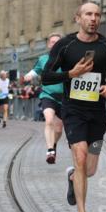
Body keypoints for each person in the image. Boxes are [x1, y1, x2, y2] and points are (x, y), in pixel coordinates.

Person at [41, 2, 106, 212]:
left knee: (88, 170)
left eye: (97, 15)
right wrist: (71, 73)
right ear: (78, 18)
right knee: (79, 158)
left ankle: (73, 178)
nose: (93, 19)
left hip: (97, 113)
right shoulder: (65, 45)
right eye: (88, 14)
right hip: (73, 111)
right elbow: (46, 77)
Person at [25, 32, 66, 164]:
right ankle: (50, 150)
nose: (55, 44)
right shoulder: (43, 59)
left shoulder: (67, 59)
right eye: (52, 42)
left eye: (57, 42)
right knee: (49, 121)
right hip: (48, 95)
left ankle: (53, 145)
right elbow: (35, 70)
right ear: (49, 44)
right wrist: (29, 75)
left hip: (64, 97)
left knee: (59, 129)